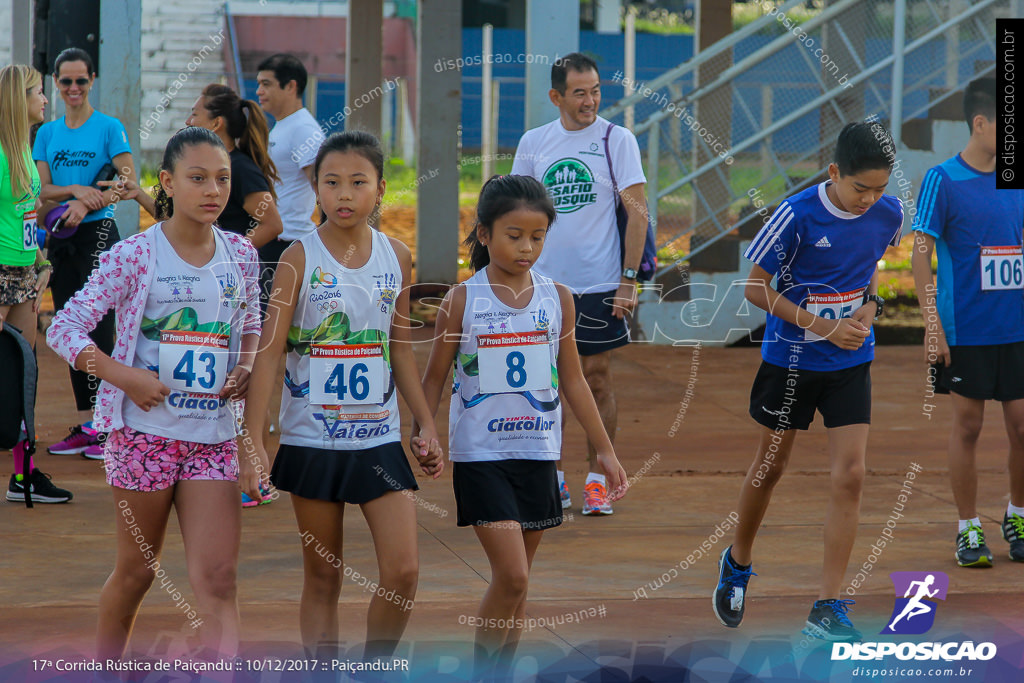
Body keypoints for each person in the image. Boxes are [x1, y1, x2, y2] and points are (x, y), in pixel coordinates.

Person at [46, 127, 262, 658]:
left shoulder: (240, 253)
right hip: (143, 439)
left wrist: (247, 364)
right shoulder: (136, 254)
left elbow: (251, 317)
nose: (213, 190)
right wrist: (127, 377)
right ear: (166, 182)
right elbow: (63, 329)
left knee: (219, 580)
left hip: (211, 439)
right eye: (197, 179)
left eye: (222, 179)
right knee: (137, 572)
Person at [242, 131, 442, 661]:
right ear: (315, 188)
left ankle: (373, 667)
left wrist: (424, 423)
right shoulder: (297, 259)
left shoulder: (397, 257)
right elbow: (270, 352)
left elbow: (399, 349)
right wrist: (257, 438)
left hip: (378, 441)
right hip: (312, 442)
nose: (344, 194)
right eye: (332, 182)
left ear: (380, 189)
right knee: (324, 575)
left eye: (358, 182)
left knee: (403, 571)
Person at [418, 174, 628, 676]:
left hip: (539, 457)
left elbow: (574, 381)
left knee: (519, 585)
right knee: (510, 578)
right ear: (485, 233)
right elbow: (433, 379)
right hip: (481, 458)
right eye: (514, 235)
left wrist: (604, 451)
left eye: (537, 237)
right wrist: (422, 431)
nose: (527, 247)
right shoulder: (463, 300)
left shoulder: (558, 298)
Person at [712, 121, 903, 642]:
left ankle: (828, 604)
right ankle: (737, 563)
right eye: (860, 187)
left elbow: (871, 266)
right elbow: (754, 288)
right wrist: (821, 326)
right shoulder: (795, 215)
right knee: (771, 467)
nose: (870, 199)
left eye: (879, 188)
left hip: (850, 362)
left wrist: (869, 307)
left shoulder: (890, 212)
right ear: (834, 172)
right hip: (791, 361)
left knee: (852, 474)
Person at [511, 53, 648, 516]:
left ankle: (596, 481)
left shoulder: (617, 139)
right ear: (556, 96)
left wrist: (628, 280)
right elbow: (515, 213)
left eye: (594, 91)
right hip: (542, 287)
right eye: (579, 92)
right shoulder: (533, 142)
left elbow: (638, 213)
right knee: (540, 384)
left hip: (599, 284)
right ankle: (549, 478)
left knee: (597, 380)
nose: (590, 101)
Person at [911, 76, 1024, 567]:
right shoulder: (943, 179)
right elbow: (920, 251)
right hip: (967, 330)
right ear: (981, 124)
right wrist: (931, 324)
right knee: (969, 425)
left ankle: (1017, 514)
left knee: (1022, 425)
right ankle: (968, 527)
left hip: (1016, 327)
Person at [34, 47, 157, 459]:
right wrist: (75, 193)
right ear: (55, 82)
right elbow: (40, 190)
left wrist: (88, 204)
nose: (73, 88)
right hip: (62, 236)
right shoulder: (48, 133)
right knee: (71, 324)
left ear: (92, 82)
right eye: (66, 81)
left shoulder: (108, 127)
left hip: (99, 233)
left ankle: (108, 422)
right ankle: (92, 421)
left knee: (103, 327)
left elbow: (126, 181)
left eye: (81, 81)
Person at [0, 64, 72, 503]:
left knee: (24, 375)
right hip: (2, 274)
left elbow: (24, 216)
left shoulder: (25, 150)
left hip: (25, 274)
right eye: (39, 92)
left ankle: (24, 475)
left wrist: (40, 259)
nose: (46, 99)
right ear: (17, 99)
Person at [255, 53, 324, 313]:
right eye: (259, 84)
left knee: (274, 326)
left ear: (291, 86)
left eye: (267, 84)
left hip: (286, 242)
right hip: (274, 241)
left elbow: (322, 188)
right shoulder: (282, 127)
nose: (259, 91)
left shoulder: (303, 129)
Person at [186, 83, 284, 247]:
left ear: (216, 123)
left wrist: (231, 257)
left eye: (194, 115)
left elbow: (272, 224)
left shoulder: (241, 169)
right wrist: (138, 193)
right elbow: (173, 221)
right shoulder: (203, 167)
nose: (188, 122)